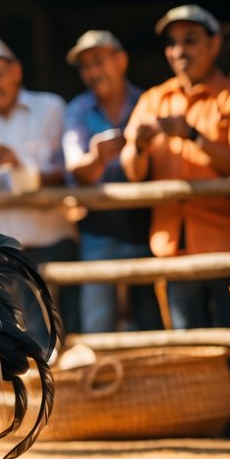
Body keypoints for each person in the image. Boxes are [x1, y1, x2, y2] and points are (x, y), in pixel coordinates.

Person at [122, 6, 230, 330]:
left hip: (225, 247)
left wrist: (193, 135)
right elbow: (132, 171)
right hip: (171, 249)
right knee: (187, 344)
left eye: (190, 40)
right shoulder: (153, 99)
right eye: (172, 43)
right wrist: (139, 147)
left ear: (214, 44)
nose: (179, 50)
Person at [0, 36, 78, 336]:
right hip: (1, 253)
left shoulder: (50, 108)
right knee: (18, 340)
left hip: (51, 242)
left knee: (64, 335)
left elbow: (66, 170)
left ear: (16, 72)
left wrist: (17, 163)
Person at [63, 30, 161, 333]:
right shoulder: (78, 110)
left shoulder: (148, 102)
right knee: (97, 327)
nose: (92, 72)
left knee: (151, 325)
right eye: (85, 66)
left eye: (98, 61)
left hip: (148, 229)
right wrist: (96, 159)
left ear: (121, 61)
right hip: (99, 232)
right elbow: (76, 168)